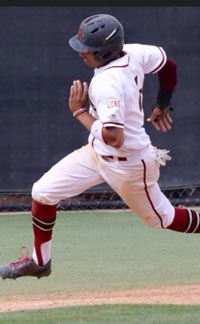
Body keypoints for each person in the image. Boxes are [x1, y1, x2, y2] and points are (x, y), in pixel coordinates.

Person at [0, 13, 199, 280]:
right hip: (97, 155)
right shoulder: (133, 52)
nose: (82, 54)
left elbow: (114, 136)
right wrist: (162, 102)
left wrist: (79, 112)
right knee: (43, 192)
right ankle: (40, 261)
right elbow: (168, 65)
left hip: (129, 163)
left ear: (105, 53)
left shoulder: (107, 82)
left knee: (160, 218)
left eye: (88, 50)